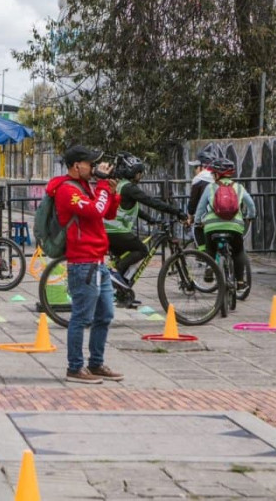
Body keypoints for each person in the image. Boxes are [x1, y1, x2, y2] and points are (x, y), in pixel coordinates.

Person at [45, 145, 122, 384]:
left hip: (98, 260)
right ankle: (75, 367)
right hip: (83, 261)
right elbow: (94, 211)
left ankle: (96, 363)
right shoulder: (68, 190)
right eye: (90, 164)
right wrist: (101, 187)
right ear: (77, 165)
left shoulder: (86, 187)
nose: (94, 168)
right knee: (81, 317)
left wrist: (112, 192)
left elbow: (107, 213)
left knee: (105, 314)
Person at [105, 152, 186, 293]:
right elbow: (151, 201)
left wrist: (151, 220)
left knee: (125, 258)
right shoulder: (129, 188)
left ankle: (122, 292)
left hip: (110, 230)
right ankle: (115, 275)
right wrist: (177, 211)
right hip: (116, 231)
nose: (140, 176)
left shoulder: (121, 186)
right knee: (142, 250)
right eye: (139, 173)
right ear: (132, 173)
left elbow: (134, 209)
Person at [194, 157, 256, 291]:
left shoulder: (210, 188)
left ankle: (210, 267)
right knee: (238, 251)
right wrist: (250, 216)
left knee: (210, 249)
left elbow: (200, 208)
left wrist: (197, 222)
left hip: (212, 226)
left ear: (217, 174)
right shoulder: (238, 187)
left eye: (213, 173)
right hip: (235, 226)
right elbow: (251, 204)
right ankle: (240, 281)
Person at [187, 148, 216, 265]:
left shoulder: (199, 179)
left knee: (197, 228)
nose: (195, 170)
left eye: (195, 167)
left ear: (202, 166)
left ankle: (203, 256)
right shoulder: (218, 177)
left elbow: (193, 202)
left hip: (207, 217)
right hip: (226, 217)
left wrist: (190, 217)